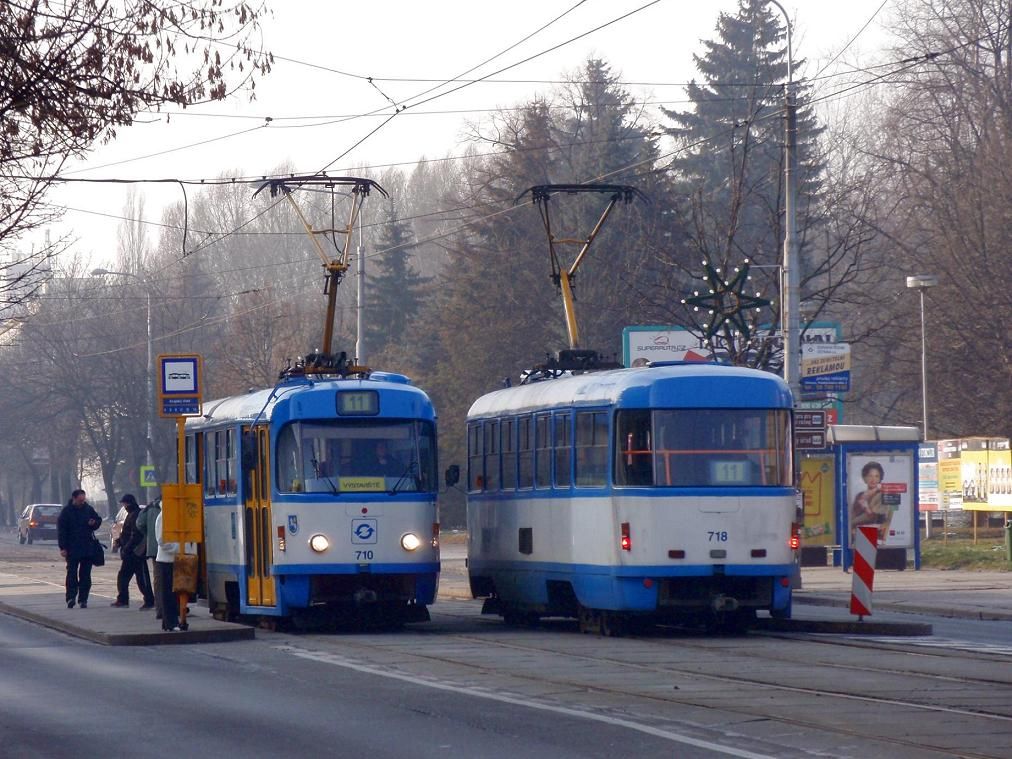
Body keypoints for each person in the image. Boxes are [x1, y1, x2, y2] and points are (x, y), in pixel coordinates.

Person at [57, 489, 102, 609]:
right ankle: (71, 598)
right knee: (71, 574)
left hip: (87, 548)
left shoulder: (88, 509)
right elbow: (61, 531)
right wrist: (63, 547)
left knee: (85, 575)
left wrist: (94, 523)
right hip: (72, 549)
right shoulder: (66, 512)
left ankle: (83, 599)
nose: (82, 502)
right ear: (74, 498)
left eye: (83, 500)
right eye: (80, 500)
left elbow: (98, 520)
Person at [110, 494, 155, 609]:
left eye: (124, 503)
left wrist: (126, 548)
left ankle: (148, 601)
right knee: (124, 576)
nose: (123, 506)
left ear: (128, 503)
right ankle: (123, 600)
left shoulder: (136, 515)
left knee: (141, 578)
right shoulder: (132, 514)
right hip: (131, 552)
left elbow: (136, 535)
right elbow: (127, 533)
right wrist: (120, 541)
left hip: (136, 552)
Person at [136, 496, 163, 619]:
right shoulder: (171, 505)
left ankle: (160, 608)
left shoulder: (149, 508)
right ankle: (175, 607)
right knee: (173, 579)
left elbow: (139, 523)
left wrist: (149, 535)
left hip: (154, 548)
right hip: (172, 549)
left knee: (158, 579)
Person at [850, 461, 892, 542]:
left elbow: (872, 516)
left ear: (880, 479)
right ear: (865, 478)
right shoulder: (859, 495)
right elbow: (852, 515)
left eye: (876, 476)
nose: (873, 479)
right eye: (870, 476)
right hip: (857, 537)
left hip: (875, 536)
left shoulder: (882, 495)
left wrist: (851, 523)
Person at [154, 509, 181, 631]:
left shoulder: (175, 513)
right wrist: (178, 548)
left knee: (174, 594)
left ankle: (170, 622)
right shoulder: (164, 515)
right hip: (166, 560)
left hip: (176, 559)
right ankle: (170, 622)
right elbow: (161, 540)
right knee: (168, 594)